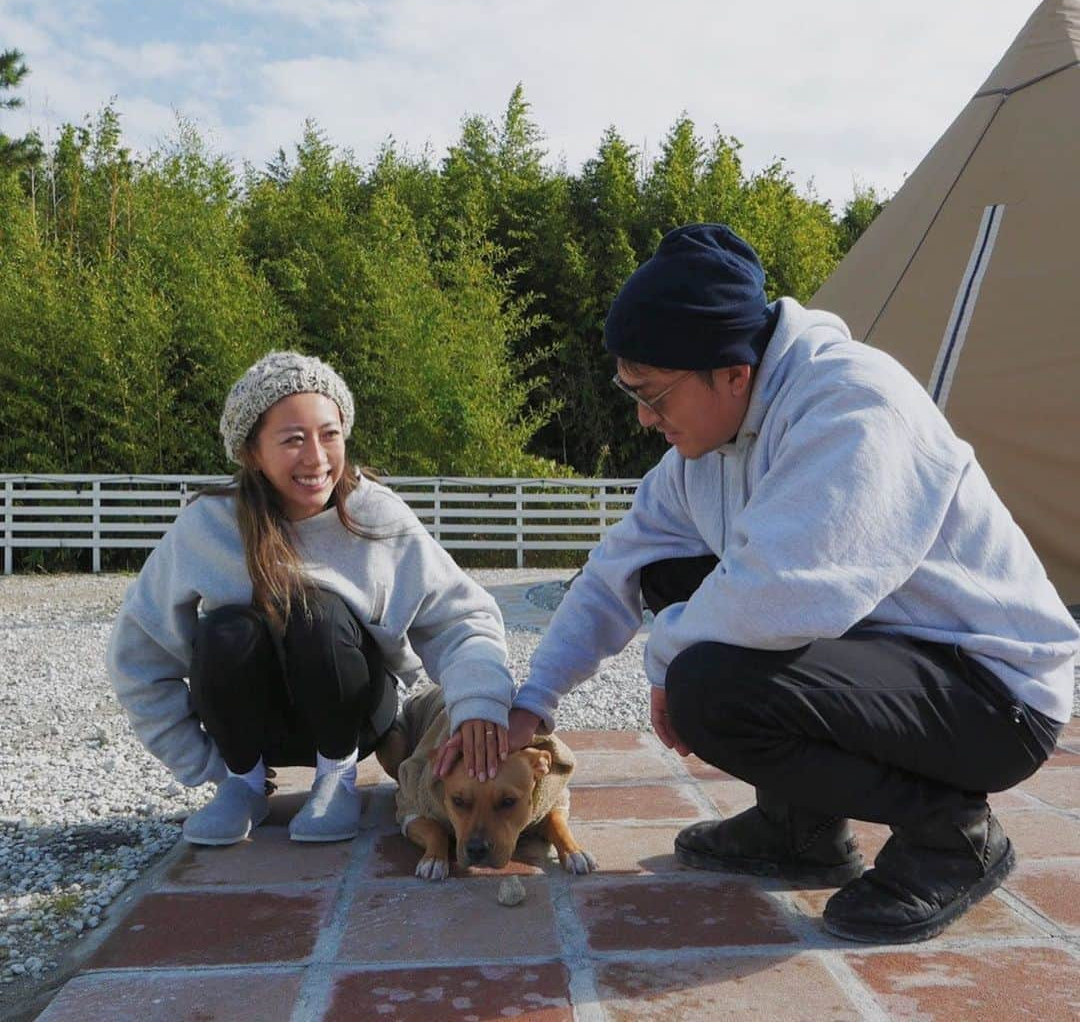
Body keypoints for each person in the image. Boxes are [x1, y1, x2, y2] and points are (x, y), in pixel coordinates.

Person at [485, 223, 1078, 944]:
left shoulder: (855, 405)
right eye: (631, 392)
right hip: (901, 661)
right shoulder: (706, 449)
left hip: (994, 693)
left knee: (711, 685)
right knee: (669, 570)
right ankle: (800, 827)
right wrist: (531, 701)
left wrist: (667, 658)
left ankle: (951, 835)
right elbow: (615, 568)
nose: (644, 418)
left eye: (655, 395)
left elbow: (788, 592)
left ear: (733, 372)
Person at [108, 351, 513, 847]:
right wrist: (201, 761)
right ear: (252, 452)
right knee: (225, 629)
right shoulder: (206, 528)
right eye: (293, 439)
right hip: (254, 731)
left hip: (354, 717)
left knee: (315, 611)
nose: (317, 458)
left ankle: (335, 779)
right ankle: (245, 785)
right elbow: (137, 654)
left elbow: (461, 618)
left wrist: (479, 700)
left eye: (329, 434)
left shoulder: (376, 516)